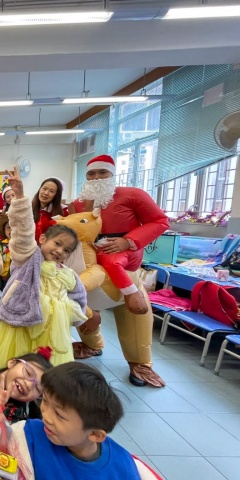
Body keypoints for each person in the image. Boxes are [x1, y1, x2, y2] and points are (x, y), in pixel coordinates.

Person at [71, 154, 168, 388]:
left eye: (102, 172)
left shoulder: (133, 195)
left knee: (133, 309)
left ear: (112, 174)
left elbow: (160, 221)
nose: (96, 177)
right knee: (79, 304)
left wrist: (128, 242)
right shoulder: (78, 204)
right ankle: (92, 344)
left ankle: (141, 362)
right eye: (91, 173)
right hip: (89, 265)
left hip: (124, 264)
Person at [0, 167, 88, 367]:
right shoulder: (29, 258)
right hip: (21, 326)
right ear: (43, 239)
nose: (60, 251)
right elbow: (23, 230)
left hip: (52, 333)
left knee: (47, 372)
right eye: (57, 244)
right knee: (15, 367)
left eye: (66, 250)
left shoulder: (68, 274)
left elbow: (79, 299)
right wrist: (20, 196)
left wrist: (62, 309)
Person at [5, 362, 161, 479]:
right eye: (45, 401)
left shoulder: (122, 468)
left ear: (94, 434)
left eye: (59, 415)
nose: (46, 416)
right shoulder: (31, 433)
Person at [0, 348, 53, 446]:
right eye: (28, 373)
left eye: (37, 388)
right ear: (12, 363)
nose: (28, 385)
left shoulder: (20, 418)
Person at [32, 177, 68, 243]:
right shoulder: (29, 208)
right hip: (29, 247)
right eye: (44, 188)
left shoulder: (64, 213)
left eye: (51, 191)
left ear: (56, 195)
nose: (46, 193)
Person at [0, 213, 11, 290]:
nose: (11, 230)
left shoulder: (23, 246)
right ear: (4, 230)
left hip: (13, 281)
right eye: (8, 227)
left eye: (14, 227)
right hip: (0, 280)